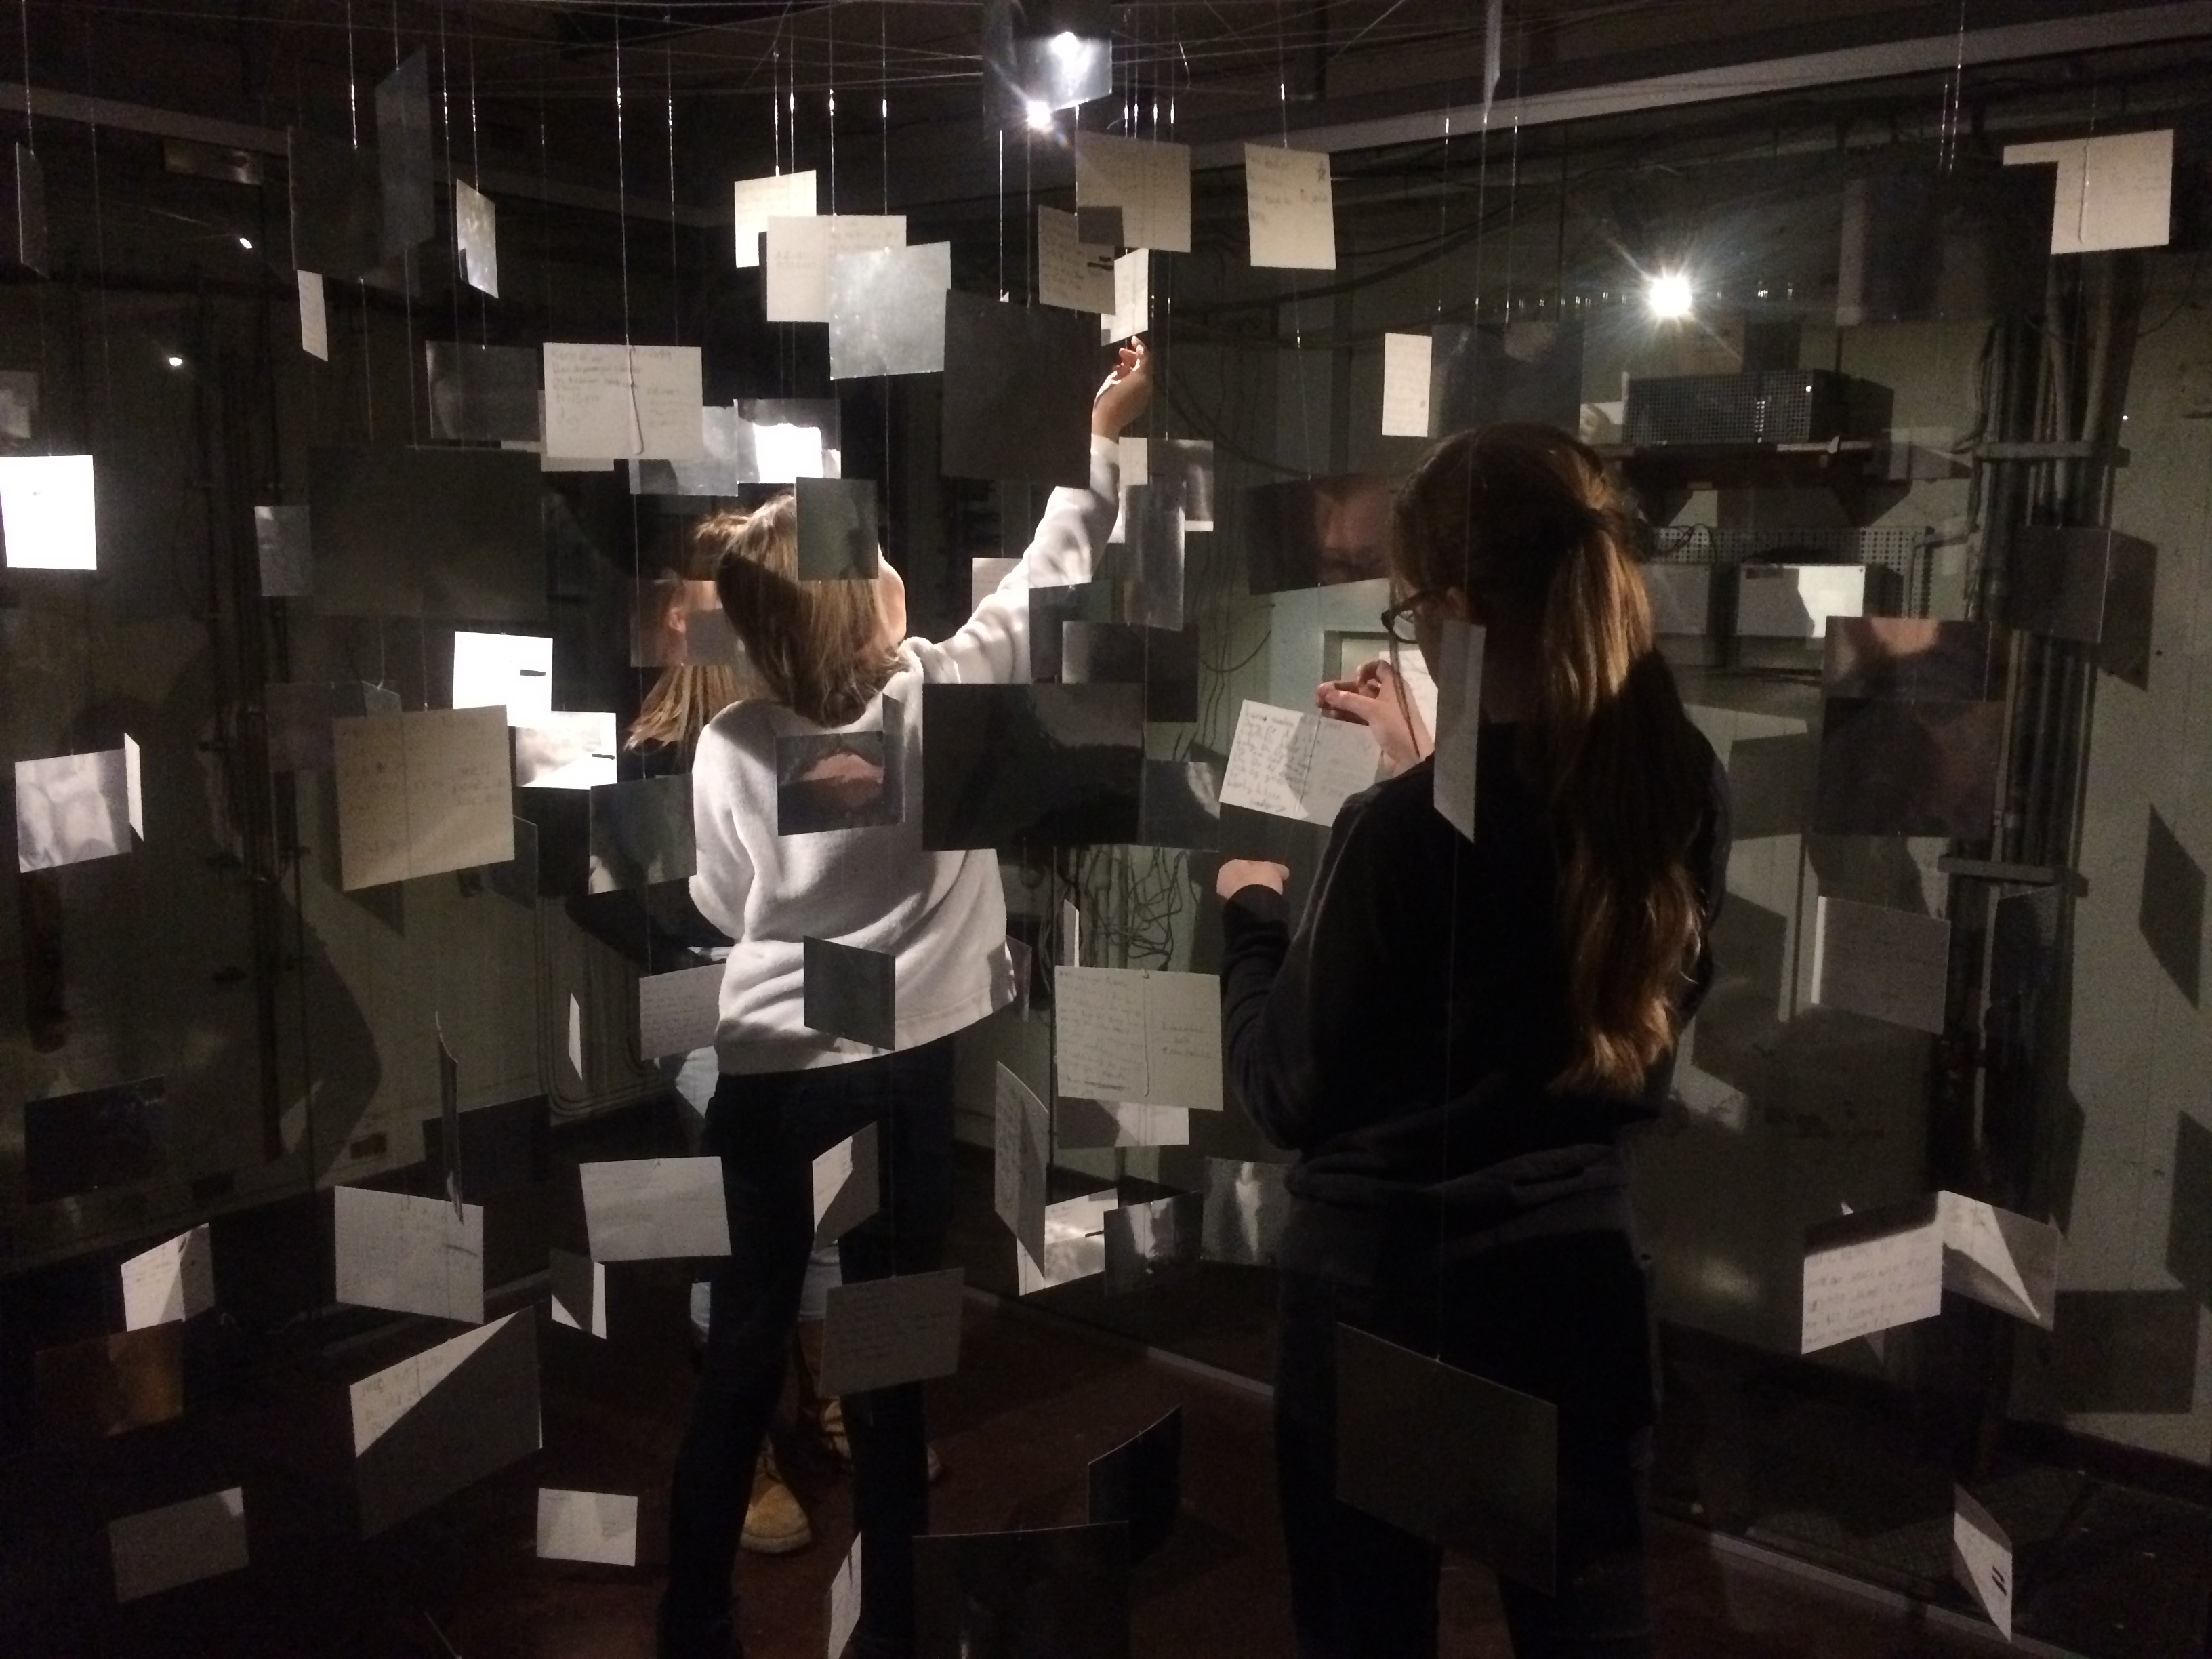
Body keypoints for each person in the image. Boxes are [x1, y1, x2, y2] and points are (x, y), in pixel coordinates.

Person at [659, 340, 1151, 1659]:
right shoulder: (939, 693)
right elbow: (1055, 570)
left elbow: (723, 903)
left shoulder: (734, 741)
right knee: (889, 1354)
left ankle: (693, 1624)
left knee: (745, 1351)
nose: (894, 572)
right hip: (903, 1077)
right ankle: (891, 1630)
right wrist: (1102, 432)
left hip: (774, 1073)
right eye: (875, 564)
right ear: (863, 610)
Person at [1215, 422, 1730, 1659]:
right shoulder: (1680, 780)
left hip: (1384, 1297)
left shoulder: (1396, 833)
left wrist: (1252, 919)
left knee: (1368, 1631)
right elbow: (1536, 885)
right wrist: (1431, 765)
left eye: (1406, 610)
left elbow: (1283, 1092)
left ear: (1451, 610)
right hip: (1573, 1287)